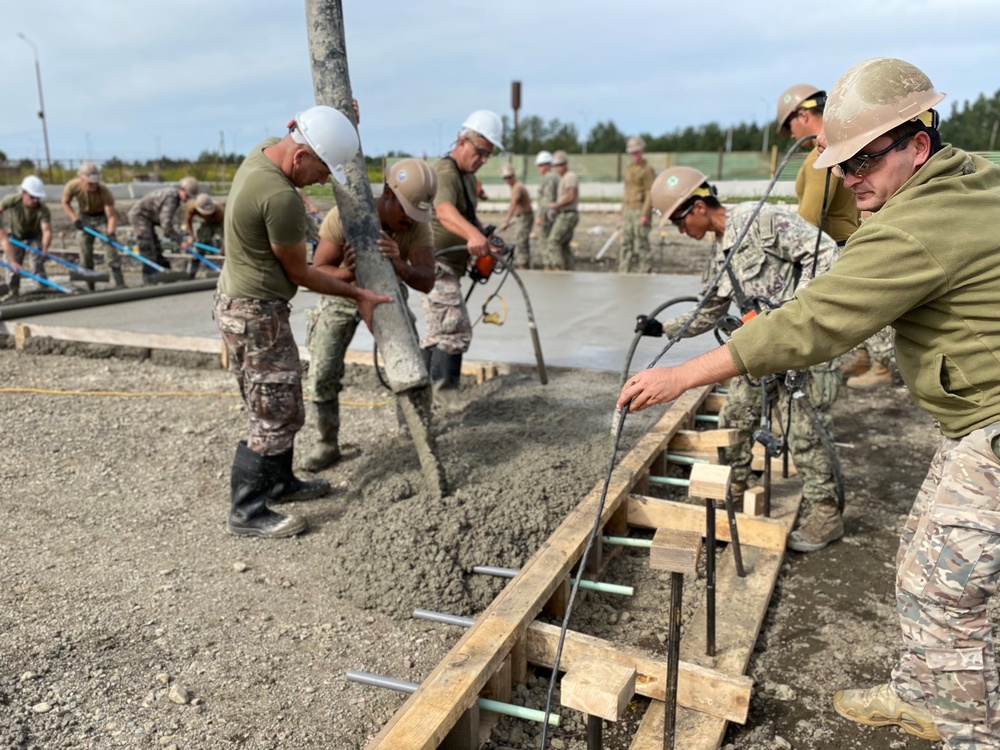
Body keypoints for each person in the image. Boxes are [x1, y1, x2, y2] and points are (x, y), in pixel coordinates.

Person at [620, 58, 1000, 748]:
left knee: (941, 591)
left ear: (918, 142)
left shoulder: (906, 228)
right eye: (842, 165)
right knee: (918, 552)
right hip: (969, 418)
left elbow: (814, 315)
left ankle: (970, 729)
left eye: (865, 162)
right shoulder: (969, 176)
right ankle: (922, 691)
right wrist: (674, 336)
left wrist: (683, 376)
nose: (850, 180)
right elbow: (723, 303)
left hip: (989, 422)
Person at [213, 105, 390, 539]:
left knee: (282, 398)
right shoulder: (279, 197)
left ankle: (280, 482)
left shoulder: (261, 153)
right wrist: (357, 292)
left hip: (246, 306)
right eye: (322, 169)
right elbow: (302, 274)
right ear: (299, 157)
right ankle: (248, 511)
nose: (324, 180)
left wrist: (339, 118)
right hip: (256, 314)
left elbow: (305, 129)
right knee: (274, 411)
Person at [647, 166, 843, 552]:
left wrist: (795, 312)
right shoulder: (718, 253)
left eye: (679, 220)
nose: (679, 230)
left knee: (804, 433)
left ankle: (826, 512)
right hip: (764, 351)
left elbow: (824, 252)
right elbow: (710, 311)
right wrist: (663, 328)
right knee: (735, 415)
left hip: (805, 348)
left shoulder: (761, 220)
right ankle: (735, 486)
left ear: (699, 207)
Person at [303, 158, 437, 471]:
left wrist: (399, 265)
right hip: (342, 295)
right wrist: (348, 272)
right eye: (406, 210)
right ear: (388, 195)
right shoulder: (344, 217)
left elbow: (427, 280)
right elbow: (318, 272)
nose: (411, 220)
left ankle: (413, 432)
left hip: (387, 288)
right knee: (322, 368)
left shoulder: (416, 228)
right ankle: (326, 442)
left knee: (409, 360)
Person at [777, 83, 893, 389]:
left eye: (789, 124)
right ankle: (864, 359)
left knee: (856, 307)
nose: (790, 134)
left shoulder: (822, 156)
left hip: (833, 245)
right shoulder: (839, 147)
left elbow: (809, 219)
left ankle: (880, 367)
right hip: (841, 241)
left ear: (803, 115)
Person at [424, 109, 504, 406]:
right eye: (480, 152)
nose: (482, 159)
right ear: (462, 141)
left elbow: (469, 217)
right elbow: (445, 211)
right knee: (454, 327)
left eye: (487, 155)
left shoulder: (468, 178)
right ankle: (445, 399)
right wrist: (472, 236)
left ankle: (424, 397)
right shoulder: (445, 171)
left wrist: (485, 236)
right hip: (436, 262)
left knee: (439, 330)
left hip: (453, 266)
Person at [61, 161, 123, 288]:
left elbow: (111, 215)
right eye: (90, 183)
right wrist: (75, 219)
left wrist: (110, 233)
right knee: (85, 252)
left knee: (111, 252)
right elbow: (65, 202)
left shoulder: (104, 191)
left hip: (101, 218)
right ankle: (91, 287)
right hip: (84, 218)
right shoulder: (73, 186)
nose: (94, 186)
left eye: (95, 183)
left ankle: (120, 284)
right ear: (82, 179)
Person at [127, 176, 199, 283]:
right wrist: (180, 241)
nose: (187, 199)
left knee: (156, 247)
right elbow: (166, 225)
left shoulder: (174, 197)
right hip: (140, 217)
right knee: (147, 248)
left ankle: (165, 274)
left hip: (149, 218)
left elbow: (165, 223)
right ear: (181, 190)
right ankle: (150, 280)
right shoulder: (171, 199)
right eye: (187, 196)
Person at [0, 175, 52, 297]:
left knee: (37, 263)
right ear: (23, 193)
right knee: (13, 266)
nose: (35, 200)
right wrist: (13, 261)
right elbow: (0, 208)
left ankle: (41, 290)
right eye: (32, 197)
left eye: (37, 198)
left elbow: (46, 231)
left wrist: (44, 248)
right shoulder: (12, 200)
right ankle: (13, 291)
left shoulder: (43, 209)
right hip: (16, 236)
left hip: (34, 236)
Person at [619, 136, 657, 273]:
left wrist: (645, 214)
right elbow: (626, 191)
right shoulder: (629, 169)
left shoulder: (647, 170)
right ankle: (624, 271)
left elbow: (650, 192)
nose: (634, 155)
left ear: (642, 151)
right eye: (632, 152)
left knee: (642, 244)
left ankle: (645, 271)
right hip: (628, 210)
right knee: (625, 243)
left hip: (640, 211)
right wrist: (621, 212)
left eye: (636, 151)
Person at [545, 150, 579, 270]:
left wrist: (556, 205)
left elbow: (571, 195)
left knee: (553, 242)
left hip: (568, 214)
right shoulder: (564, 178)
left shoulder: (570, 177)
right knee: (563, 245)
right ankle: (568, 270)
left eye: (558, 165)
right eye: (555, 166)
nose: (556, 168)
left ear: (565, 164)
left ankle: (558, 270)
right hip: (565, 213)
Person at [498, 163, 533, 268]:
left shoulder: (517, 187)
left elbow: (513, 204)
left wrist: (506, 221)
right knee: (522, 242)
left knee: (521, 242)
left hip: (524, 217)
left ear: (513, 176)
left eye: (509, 177)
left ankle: (523, 266)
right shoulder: (515, 186)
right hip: (522, 217)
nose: (508, 180)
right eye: (505, 178)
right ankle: (524, 264)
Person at [183, 193, 225, 277]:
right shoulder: (192, 207)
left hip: (218, 223)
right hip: (205, 223)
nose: (207, 214)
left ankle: (226, 270)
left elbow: (227, 229)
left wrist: (225, 245)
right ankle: (191, 273)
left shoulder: (219, 210)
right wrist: (191, 236)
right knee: (199, 245)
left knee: (228, 247)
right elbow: (188, 220)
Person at [534, 150, 560, 243]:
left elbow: (547, 199)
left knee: (544, 242)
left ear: (547, 165)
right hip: (551, 213)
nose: (539, 168)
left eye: (540, 165)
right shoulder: (554, 177)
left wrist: (540, 216)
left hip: (546, 215)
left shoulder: (548, 178)